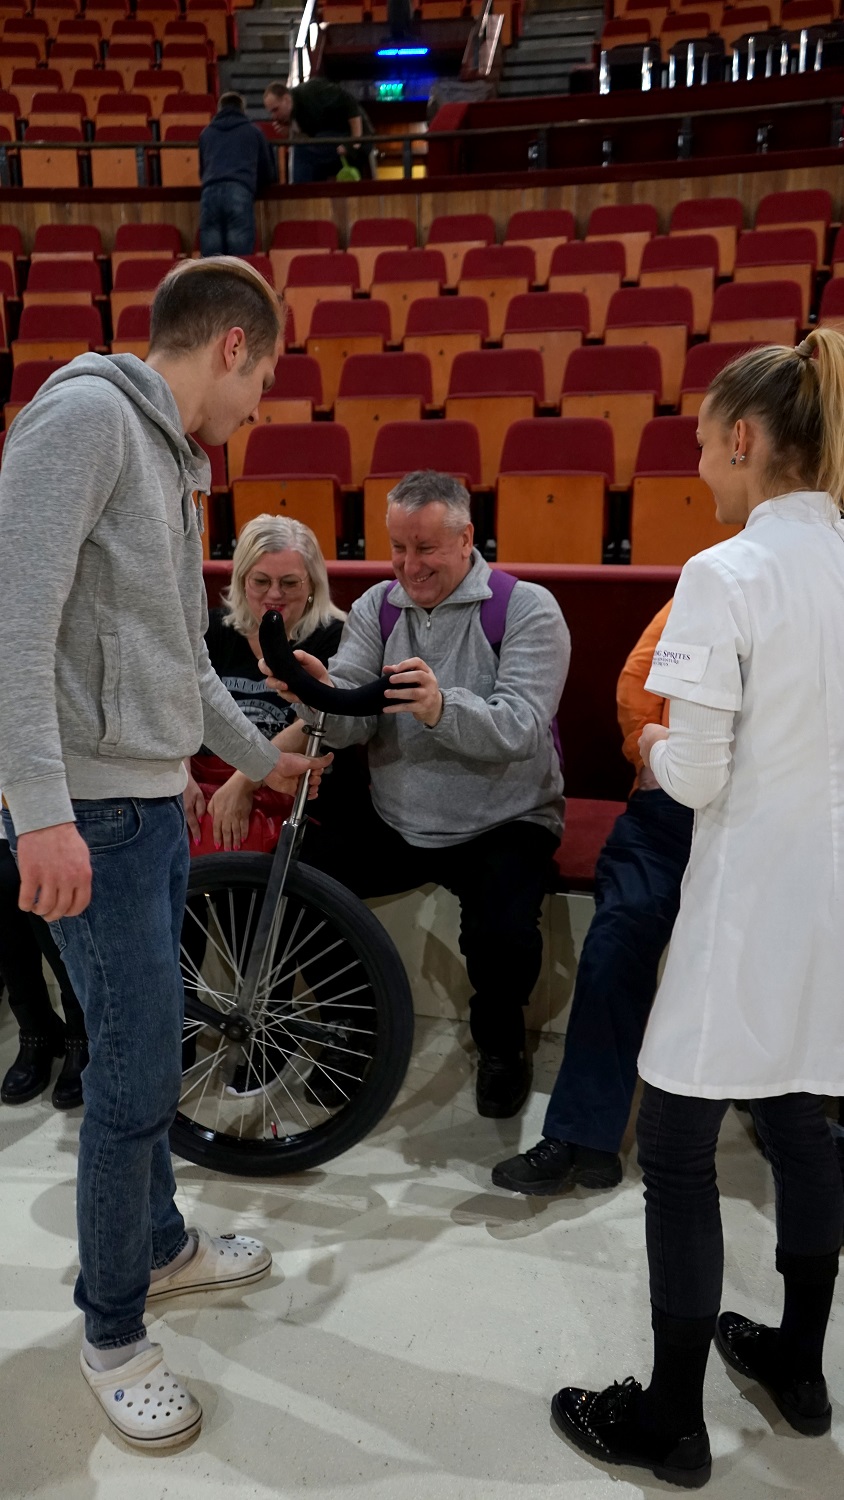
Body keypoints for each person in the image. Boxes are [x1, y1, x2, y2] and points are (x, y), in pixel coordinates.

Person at [0, 256, 331, 1451]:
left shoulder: (171, 459)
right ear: (232, 345)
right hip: (90, 817)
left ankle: (161, 1244)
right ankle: (111, 1334)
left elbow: (181, 662)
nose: (262, 404)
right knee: (138, 1081)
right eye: (267, 377)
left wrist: (261, 759)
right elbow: (12, 626)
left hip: (147, 809)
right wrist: (38, 809)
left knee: (145, 1055)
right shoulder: (85, 420)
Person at [552, 332, 844, 1489]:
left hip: (749, 900)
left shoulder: (726, 572)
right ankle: (800, 1368)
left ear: (745, 438)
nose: (695, 463)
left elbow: (697, 774)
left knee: (675, 1147)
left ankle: (670, 1422)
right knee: (800, 1118)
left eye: (703, 442)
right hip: (829, 899)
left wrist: (650, 744)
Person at [263, 470, 570, 1118]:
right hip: (398, 815)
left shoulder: (527, 608)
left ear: (466, 539)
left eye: (425, 548)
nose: (409, 565)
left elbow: (521, 727)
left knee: (501, 935)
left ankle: (501, 1044)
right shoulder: (378, 606)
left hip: (504, 817)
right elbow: (352, 722)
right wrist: (317, 693)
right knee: (297, 884)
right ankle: (352, 1030)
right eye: (398, 547)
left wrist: (439, 708)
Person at [492, 601, 694, 1195]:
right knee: (614, 945)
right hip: (668, 808)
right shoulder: (712, 579)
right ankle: (583, 1137)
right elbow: (641, 674)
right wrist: (647, 751)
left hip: (770, 824)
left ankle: (786, 1119)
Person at [182, 512, 354, 852]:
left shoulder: (334, 636)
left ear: (311, 585)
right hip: (204, 785)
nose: (274, 594)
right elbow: (182, 700)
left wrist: (243, 781)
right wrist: (181, 776)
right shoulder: (213, 629)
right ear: (242, 581)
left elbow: (319, 718)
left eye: (289, 583)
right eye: (261, 581)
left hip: (287, 794)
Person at [0, 799, 88, 1108]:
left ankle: (81, 1035)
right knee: (7, 934)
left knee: (55, 927)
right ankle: (36, 1032)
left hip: (47, 813)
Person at [198, 91, 276, 257]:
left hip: (210, 191)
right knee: (239, 256)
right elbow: (267, 171)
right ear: (242, 109)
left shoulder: (206, 133)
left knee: (211, 258)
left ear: (219, 109)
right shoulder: (253, 131)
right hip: (239, 188)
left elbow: (202, 170)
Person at [263, 79, 373, 183]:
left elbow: (349, 103)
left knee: (302, 152)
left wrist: (354, 142)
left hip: (355, 137)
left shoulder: (311, 92)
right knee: (304, 152)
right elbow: (310, 138)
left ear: (286, 99)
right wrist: (291, 134)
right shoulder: (296, 114)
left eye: (276, 110)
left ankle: (301, 193)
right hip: (339, 139)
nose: (274, 117)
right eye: (271, 112)